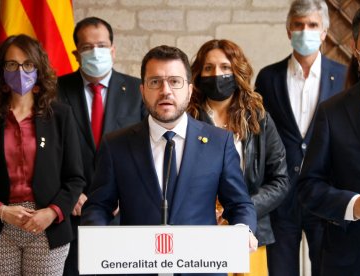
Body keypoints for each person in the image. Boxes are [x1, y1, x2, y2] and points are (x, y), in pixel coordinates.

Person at [82, 45, 258, 256]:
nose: (165, 91)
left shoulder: (219, 142)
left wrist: (243, 230)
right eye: (155, 82)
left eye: (175, 82)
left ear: (190, 89)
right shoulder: (116, 145)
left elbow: (239, 204)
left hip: (200, 265)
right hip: (138, 264)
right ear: (142, 90)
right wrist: (96, 235)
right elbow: (98, 206)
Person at [0, 34, 85, 275]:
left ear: (38, 69)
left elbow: (75, 178)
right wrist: (1, 211)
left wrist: (52, 212)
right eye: (11, 64)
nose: (20, 71)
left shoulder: (61, 115)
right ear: (2, 71)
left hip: (47, 226)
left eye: (28, 64)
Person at [254, 1, 347, 275]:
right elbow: (261, 136)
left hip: (325, 190)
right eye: (298, 25)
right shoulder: (268, 77)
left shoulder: (343, 77)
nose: (305, 31)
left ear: (324, 32)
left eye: (312, 25)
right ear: (288, 30)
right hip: (281, 195)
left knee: (326, 267)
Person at [188, 39, 290, 276]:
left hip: (250, 237)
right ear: (199, 74)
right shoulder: (187, 119)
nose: (217, 74)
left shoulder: (259, 118)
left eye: (225, 67)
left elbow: (280, 180)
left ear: (237, 70)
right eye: (209, 68)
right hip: (200, 235)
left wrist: (240, 210)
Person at [57, 17, 146, 275]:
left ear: (113, 50)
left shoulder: (136, 90)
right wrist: (69, 194)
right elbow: (46, 152)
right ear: (76, 54)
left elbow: (147, 149)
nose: (95, 52)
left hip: (123, 214)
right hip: (71, 213)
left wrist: (125, 193)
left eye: (102, 45)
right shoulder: (55, 90)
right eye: (87, 47)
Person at [298, 6, 360, 275]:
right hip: (349, 258)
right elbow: (309, 187)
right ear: (355, 46)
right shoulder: (331, 111)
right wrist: (354, 205)